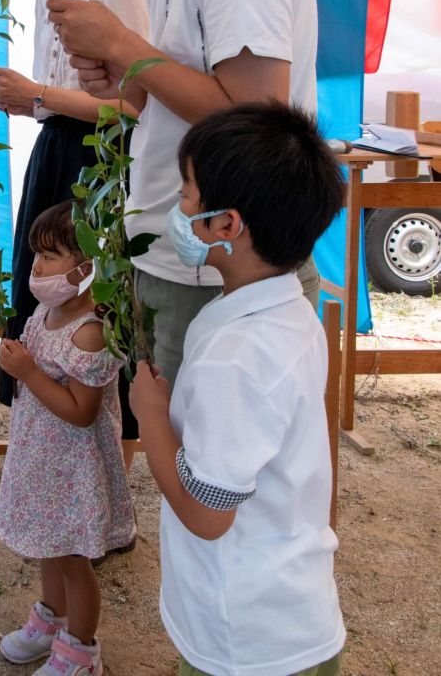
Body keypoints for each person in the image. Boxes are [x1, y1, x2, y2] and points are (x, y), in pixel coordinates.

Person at [36, 0, 320, 388]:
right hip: (184, 253)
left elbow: (257, 120)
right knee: (188, 463)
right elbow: (171, 97)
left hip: (219, 263)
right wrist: (120, 78)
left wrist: (122, 44)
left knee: (211, 471)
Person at [129, 101, 346, 676]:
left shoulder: (239, 358)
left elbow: (207, 513)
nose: (179, 207)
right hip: (285, 612)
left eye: (186, 195)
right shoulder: (289, 313)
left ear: (227, 225)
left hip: (246, 642)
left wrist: (150, 416)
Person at [0, 0, 148, 467]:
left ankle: (108, 471)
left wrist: (40, 96)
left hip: (102, 158)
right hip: (56, 151)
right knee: (46, 287)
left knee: (95, 299)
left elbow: (132, 104)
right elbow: (52, 97)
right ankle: (47, 449)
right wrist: (24, 100)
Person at [0, 200, 135, 676]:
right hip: (42, 459)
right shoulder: (43, 312)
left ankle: (80, 650)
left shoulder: (89, 332)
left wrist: (27, 371)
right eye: (36, 254)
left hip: (74, 468)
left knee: (73, 559)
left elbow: (80, 413)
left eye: (51, 255)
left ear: (87, 267)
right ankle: (50, 623)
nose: (38, 266)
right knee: (47, 545)